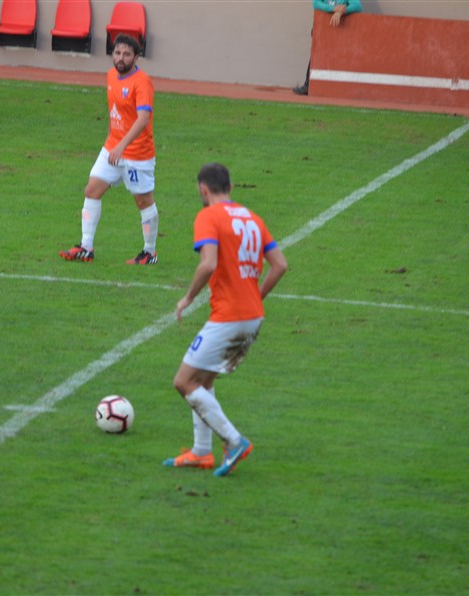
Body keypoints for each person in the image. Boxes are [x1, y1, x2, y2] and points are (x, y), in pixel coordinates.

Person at [164, 163, 288, 477]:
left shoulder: (208, 216)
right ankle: (201, 452)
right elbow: (279, 265)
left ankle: (234, 441)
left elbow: (208, 264)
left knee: (183, 382)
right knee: (203, 382)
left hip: (229, 316)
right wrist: (256, 296)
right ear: (230, 187)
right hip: (252, 316)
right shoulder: (253, 218)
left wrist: (188, 298)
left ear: (203, 189)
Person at [59, 34, 159, 265]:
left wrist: (122, 145)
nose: (121, 58)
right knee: (92, 190)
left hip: (137, 154)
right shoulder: (111, 75)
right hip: (112, 148)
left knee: (143, 202)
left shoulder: (142, 82)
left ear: (136, 57)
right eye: (117, 53)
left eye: (126, 54)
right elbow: (116, 111)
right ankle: (86, 247)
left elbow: (143, 118)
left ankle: (150, 252)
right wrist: (111, 141)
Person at [292, 0, 363, 95]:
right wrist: (334, 9)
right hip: (322, 28)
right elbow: (316, 4)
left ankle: (339, 89)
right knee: (315, 56)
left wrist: (342, 11)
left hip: (341, 31)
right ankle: (308, 85)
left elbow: (358, 6)